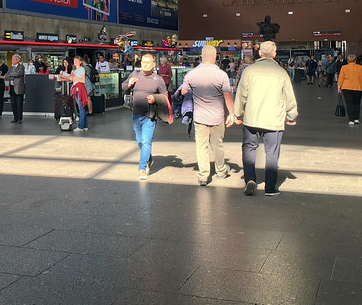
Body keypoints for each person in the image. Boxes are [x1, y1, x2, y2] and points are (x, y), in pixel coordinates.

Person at [233, 41, 298, 196]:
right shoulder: (281, 72)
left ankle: (250, 179)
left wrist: (238, 114)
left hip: (252, 118)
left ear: (260, 53)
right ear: (274, 54)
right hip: (273, 120)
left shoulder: (249, 71)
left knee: (249, 148)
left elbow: (241, 95)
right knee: (272, 153)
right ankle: (270, 188)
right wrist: (291, 115)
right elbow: (289, 97)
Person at [180, 45, 235, 186]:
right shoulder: (221, 75)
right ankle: (221, 171)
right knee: (218, 145)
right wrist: (232, 114)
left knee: (201, 146)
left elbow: (183, 92)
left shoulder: (191, 74)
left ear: (202, 56)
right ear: (216, 57)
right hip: (217, 116)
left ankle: (203, 175)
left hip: (200, 117)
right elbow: (227, 95)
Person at [121, 53, 168, 181]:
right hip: (136, 114)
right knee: (140, 141)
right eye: (143, 62)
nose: (145, 64)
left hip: (150, 115)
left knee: (146, 141)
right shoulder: (134, 75)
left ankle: (142, 168)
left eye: (148, 62)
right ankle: (148, 158)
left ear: (154, 64)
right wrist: (128, 84)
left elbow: (165, 96)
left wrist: (155, 98)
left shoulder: (158, 79)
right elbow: (123, 86)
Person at [337, 54, 362, 125]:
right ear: (355, 60)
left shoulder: (344, 67)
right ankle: (356, 118)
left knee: (349, 104)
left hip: (346, 87)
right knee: (357, 103)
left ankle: (351, 120)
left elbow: (341, 78)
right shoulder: (360, 67)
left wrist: (339, 86)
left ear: (348, 61)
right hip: (358, 87)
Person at [67, 56, 90, 132]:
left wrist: (74, 77)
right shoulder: (74, 70)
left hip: (79, 89)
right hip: (75, 89)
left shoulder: (81, 69)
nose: (75, 62)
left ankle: (80, 126)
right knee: (81, 107)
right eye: (74, 61)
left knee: (81, 107)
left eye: (77, 61)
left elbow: (83, 81)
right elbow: (70, 78)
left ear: (80, 61)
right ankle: (85, 126)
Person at [4, 54, 26, 124]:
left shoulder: (21, 67)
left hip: (18, 87)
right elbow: (6, 76)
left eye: (13, 59)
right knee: (13, 104)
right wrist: (12, 75)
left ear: (17, 60)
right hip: (12, 87)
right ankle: (15, 117)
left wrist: (11, 75)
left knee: (19, 104)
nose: (12, 61)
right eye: (12, 59)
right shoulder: (11, 68)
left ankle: (19, 118)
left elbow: (18, 74)